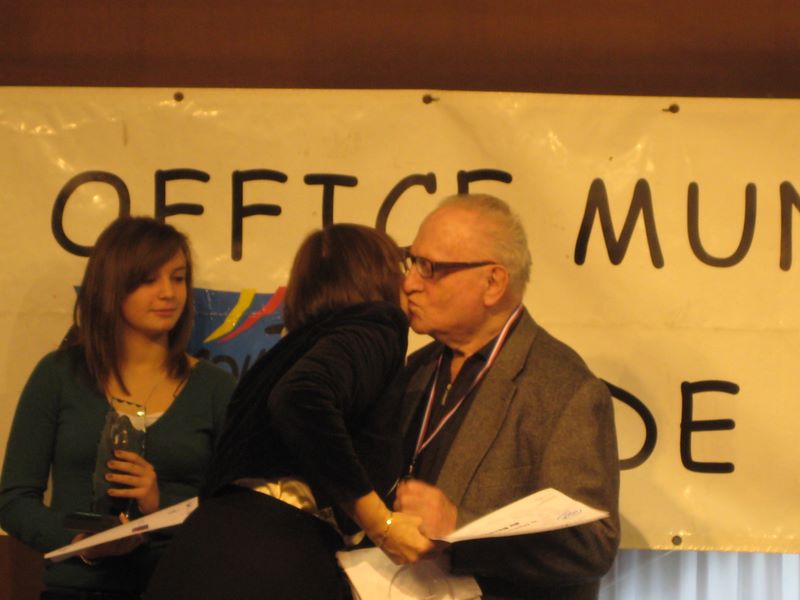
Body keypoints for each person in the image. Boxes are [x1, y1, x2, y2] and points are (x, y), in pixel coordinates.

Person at [145, 223, 433, 600]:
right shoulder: (377, 324)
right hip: (273, 558)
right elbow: (301, 398)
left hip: (200, 551)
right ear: (377, 277)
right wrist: (382, 523)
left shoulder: (286, 353)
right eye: (401, 268)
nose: (410, 283)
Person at [394, 193, 620, 600]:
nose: (410, 283)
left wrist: (460, 527)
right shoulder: (416, 368)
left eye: (429, 268)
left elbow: (593, 543)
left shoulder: (564, 389)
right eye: (411, 262)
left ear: (493, 283)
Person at [0, 217, 236, 599]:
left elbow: (235, 509)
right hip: (78, 589)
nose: (168, 293)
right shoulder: (58, 374)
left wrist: (160, 502)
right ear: (111, 286)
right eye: (148, 280)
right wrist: (78, 542)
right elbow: (14, 499)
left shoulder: (215, 387)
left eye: (178, 278)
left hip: (177, 586)